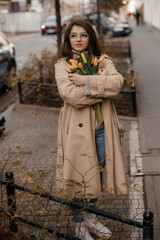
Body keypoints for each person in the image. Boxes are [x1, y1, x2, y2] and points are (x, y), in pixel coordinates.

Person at [54, 19, 127, 240]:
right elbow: (71, 97)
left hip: (102, 129)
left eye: (83, 35)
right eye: (74, 35)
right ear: (68, 39)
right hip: (76, 132)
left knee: (96, 175)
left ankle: (90, 218)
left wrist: (85, 81)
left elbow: (117, 84)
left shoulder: (103, 61)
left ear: (90, 37)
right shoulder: (62, 64)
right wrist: (100, 85)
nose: (78, 40)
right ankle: (78, 223)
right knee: (79, 178)